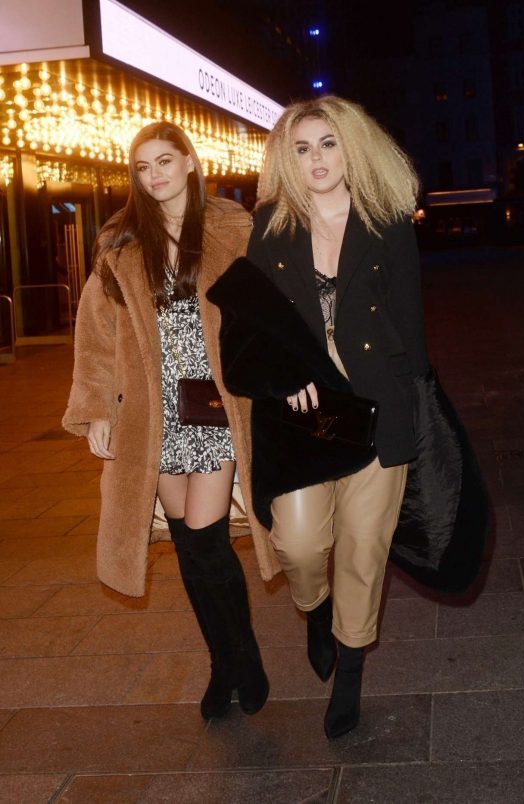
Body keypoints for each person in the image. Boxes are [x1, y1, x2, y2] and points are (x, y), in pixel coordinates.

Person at [207, 94, 430, 740]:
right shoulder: (273, 223)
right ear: (288, 159)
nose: (317, 160)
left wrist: (417, 416)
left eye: (328, 144)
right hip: (300, 419)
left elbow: (411, 328)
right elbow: (250, 325)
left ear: (351, 147)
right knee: (300, 545)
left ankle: (350, 669)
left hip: (377, 410)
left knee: (363, 547)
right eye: (302, 149)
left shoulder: (388, 222)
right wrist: (283, 377)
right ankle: (315, 609)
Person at [62, 121, 269, 721]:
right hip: (155, 413)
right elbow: (96, 335)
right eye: (143, 167)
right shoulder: (120, 241)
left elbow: (267, 313)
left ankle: (245, 660)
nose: (153, 176)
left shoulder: (232, 228)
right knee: (187, 545)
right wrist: (95, 410)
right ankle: (222, 664)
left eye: (164, 162)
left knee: (207, 538)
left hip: (217, 405)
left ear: (190, 162)